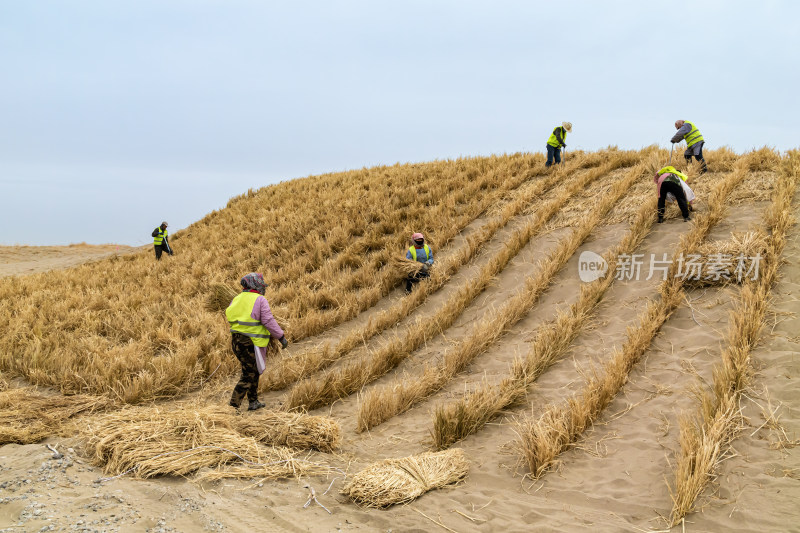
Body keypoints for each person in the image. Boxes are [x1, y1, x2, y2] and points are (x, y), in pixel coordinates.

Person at [225, 272, 289, 410]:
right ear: (256, 285)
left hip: (236, 341)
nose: (263, 288)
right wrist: (281, 337)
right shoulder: (259, 300)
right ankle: (233, 407)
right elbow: (268, 321)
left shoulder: (236, 298)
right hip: (250, 342)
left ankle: (253, 401)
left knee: (252, 370)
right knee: (249, 374)